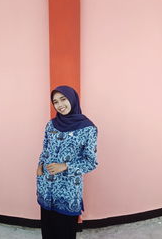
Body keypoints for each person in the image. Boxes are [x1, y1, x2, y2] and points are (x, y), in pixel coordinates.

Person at [36, 85, 98, 239]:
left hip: (68, 190)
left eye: (63, 99)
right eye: (55, 102)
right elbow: (45, 149)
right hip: (46, 187)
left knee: (65, 233)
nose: (60, 105)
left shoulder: (88, 128)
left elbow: (91, 162)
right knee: (48, 231)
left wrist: (65, 166)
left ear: (72, 99)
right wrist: (39, 165)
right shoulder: (51, 124)